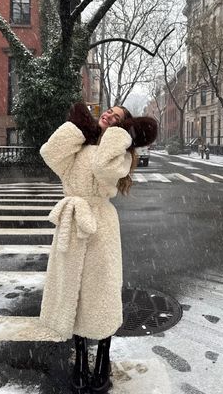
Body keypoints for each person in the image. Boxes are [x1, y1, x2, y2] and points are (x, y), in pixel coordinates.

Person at [39, 103, 157, 394]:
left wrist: (120, 134)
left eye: (117, 117)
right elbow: (49, 153)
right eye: (108, 112)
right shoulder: (79, 145)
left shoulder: (121, 153)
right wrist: (80, 128)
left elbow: (104, 167)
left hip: (101, 225)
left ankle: (102, 357)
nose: (109, 116)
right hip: (73, 221)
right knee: (75, 293)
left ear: (123, 128)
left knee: (101, 292)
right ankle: (80, 358)